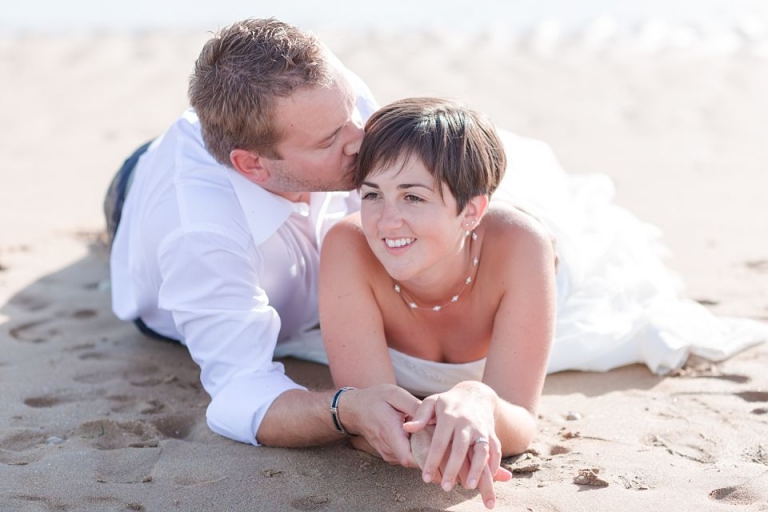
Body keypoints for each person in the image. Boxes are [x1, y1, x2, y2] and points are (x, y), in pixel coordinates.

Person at [317, 97, 768, 508]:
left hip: (540, 282)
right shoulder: (349, 245)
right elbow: (367, 411)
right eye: (373, 193)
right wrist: (428, 445)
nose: (384, 220)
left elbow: (520, 418)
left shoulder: (521, 247)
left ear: (472, 212)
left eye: (413, 196)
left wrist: (480, 399)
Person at [104, 17, 425, 464]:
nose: (364, 137)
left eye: (351, 109)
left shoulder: (333, 105)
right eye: (331, 139)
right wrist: (345, 408)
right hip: (137, 197)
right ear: (252, 166)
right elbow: (242, 394)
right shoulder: (199, 234)